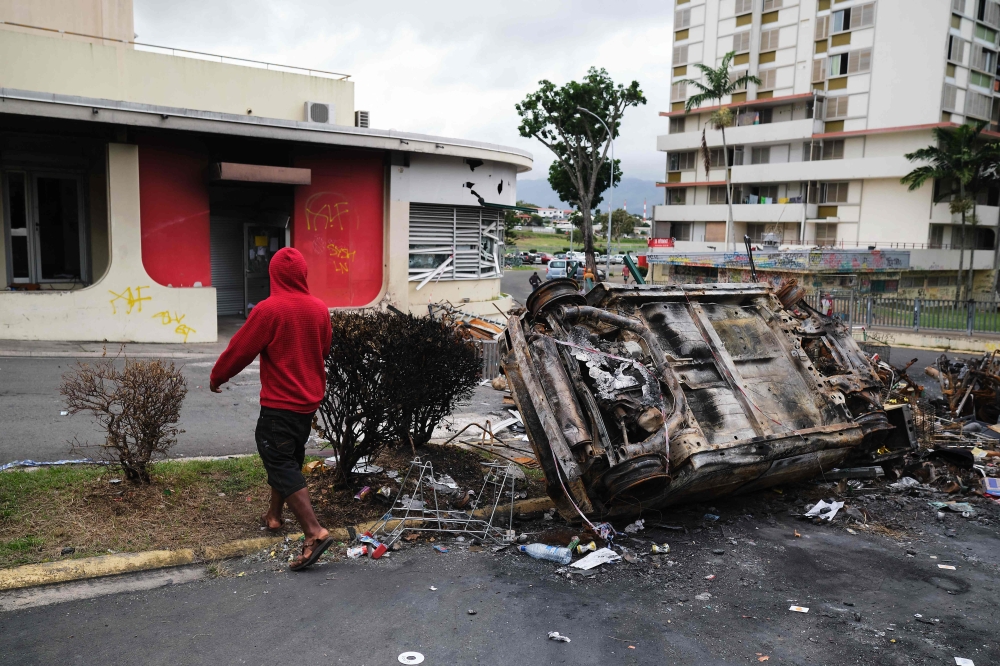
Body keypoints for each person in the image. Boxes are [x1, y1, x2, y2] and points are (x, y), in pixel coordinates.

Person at [210, 247, 334, 571]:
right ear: (303, 274)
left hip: (280, 406)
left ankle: (314, 531)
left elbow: (240, 349)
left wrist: (217, 376)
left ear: (274, 275)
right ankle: (274, 516)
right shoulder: (319, 309)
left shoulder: (269, 310)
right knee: (289, 459)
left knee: (279, 460)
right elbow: (324, 349)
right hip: (307, 405)